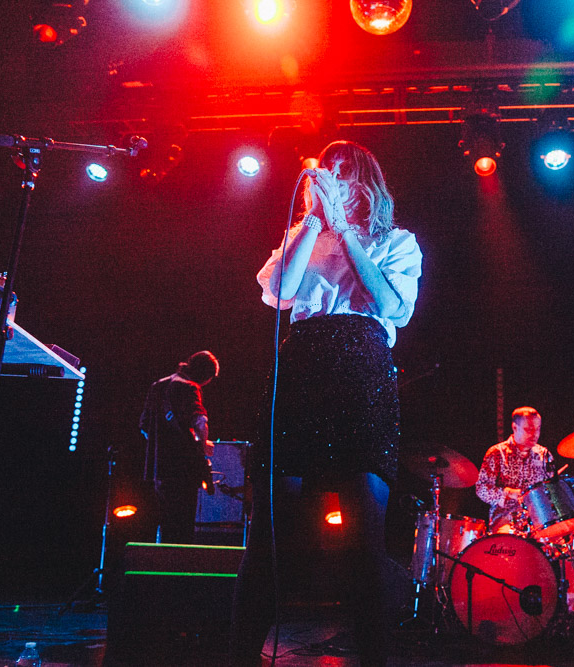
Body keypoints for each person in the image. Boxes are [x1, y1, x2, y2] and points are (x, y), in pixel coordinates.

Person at [229, 141, 422, 667]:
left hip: (361, 372)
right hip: (303, 369)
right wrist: (316, 223)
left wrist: (347, 232)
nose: (331, 180)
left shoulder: (398, 241)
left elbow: (389, 306)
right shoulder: (299, 237)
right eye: (325, 173)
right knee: (271, 536)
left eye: (343, 173)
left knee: (364, 539)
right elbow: (282, 294)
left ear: (366, 184)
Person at [475, 406, 574, 612]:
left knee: (573, 542)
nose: (533, 435)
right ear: (514, 427)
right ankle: (507, 606)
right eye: (528, 430)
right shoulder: (496, 453)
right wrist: (507, 493)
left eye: (537, 429)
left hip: (540, 521)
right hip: (507, 520)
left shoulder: (544, 455)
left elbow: (553, 492)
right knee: (509, 545)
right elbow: (481, 489)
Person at [139, 350, 219, 544]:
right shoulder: (189, 387)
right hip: (182, 469)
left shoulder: (158, 385)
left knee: (166, 523)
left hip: (159, 469)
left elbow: (144, 427)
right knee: (183, 526)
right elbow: (199, 421)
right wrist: (201, 444)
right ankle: (180, 568)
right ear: (205, 375)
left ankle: (164, 568)